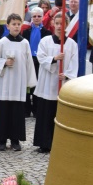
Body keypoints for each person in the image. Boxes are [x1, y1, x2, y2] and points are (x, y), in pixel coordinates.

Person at [0, 13, 38, 151]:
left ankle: (15, 140)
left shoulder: (25, 43)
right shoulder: (2, 42)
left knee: (17, 113)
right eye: (14, 24)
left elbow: (29, 63)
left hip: (18, 83)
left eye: (18, 24)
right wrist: (4, 62)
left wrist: (30, 82)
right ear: (8, 26)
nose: (16, 27)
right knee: (3, 112)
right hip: (5, 84)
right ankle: (1, 140)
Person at [34, 13, 78, 153]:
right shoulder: (45, 41)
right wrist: (54, 59)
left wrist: (66, 75)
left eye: (62, 23)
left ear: (66, 25)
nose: (60, 26)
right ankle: (44, 143)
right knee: (46, 113)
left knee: (58, 114)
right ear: (53, 24)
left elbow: (74, 63)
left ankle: (58, 143)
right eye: (57, 23)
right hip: (47, 83)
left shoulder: (71, 44)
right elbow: (40, 58)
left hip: (61, 83)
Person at [20, 6, 50, 116]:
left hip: (40, 60)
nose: (36, 18)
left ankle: (37, 109)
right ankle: (26, 109)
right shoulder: (26, 31)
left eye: (39, 16)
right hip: (29, 59)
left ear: (42, 17)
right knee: (28, 84)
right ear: (31, 17)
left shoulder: (47, 32)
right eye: (34, 16)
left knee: (38, 83)